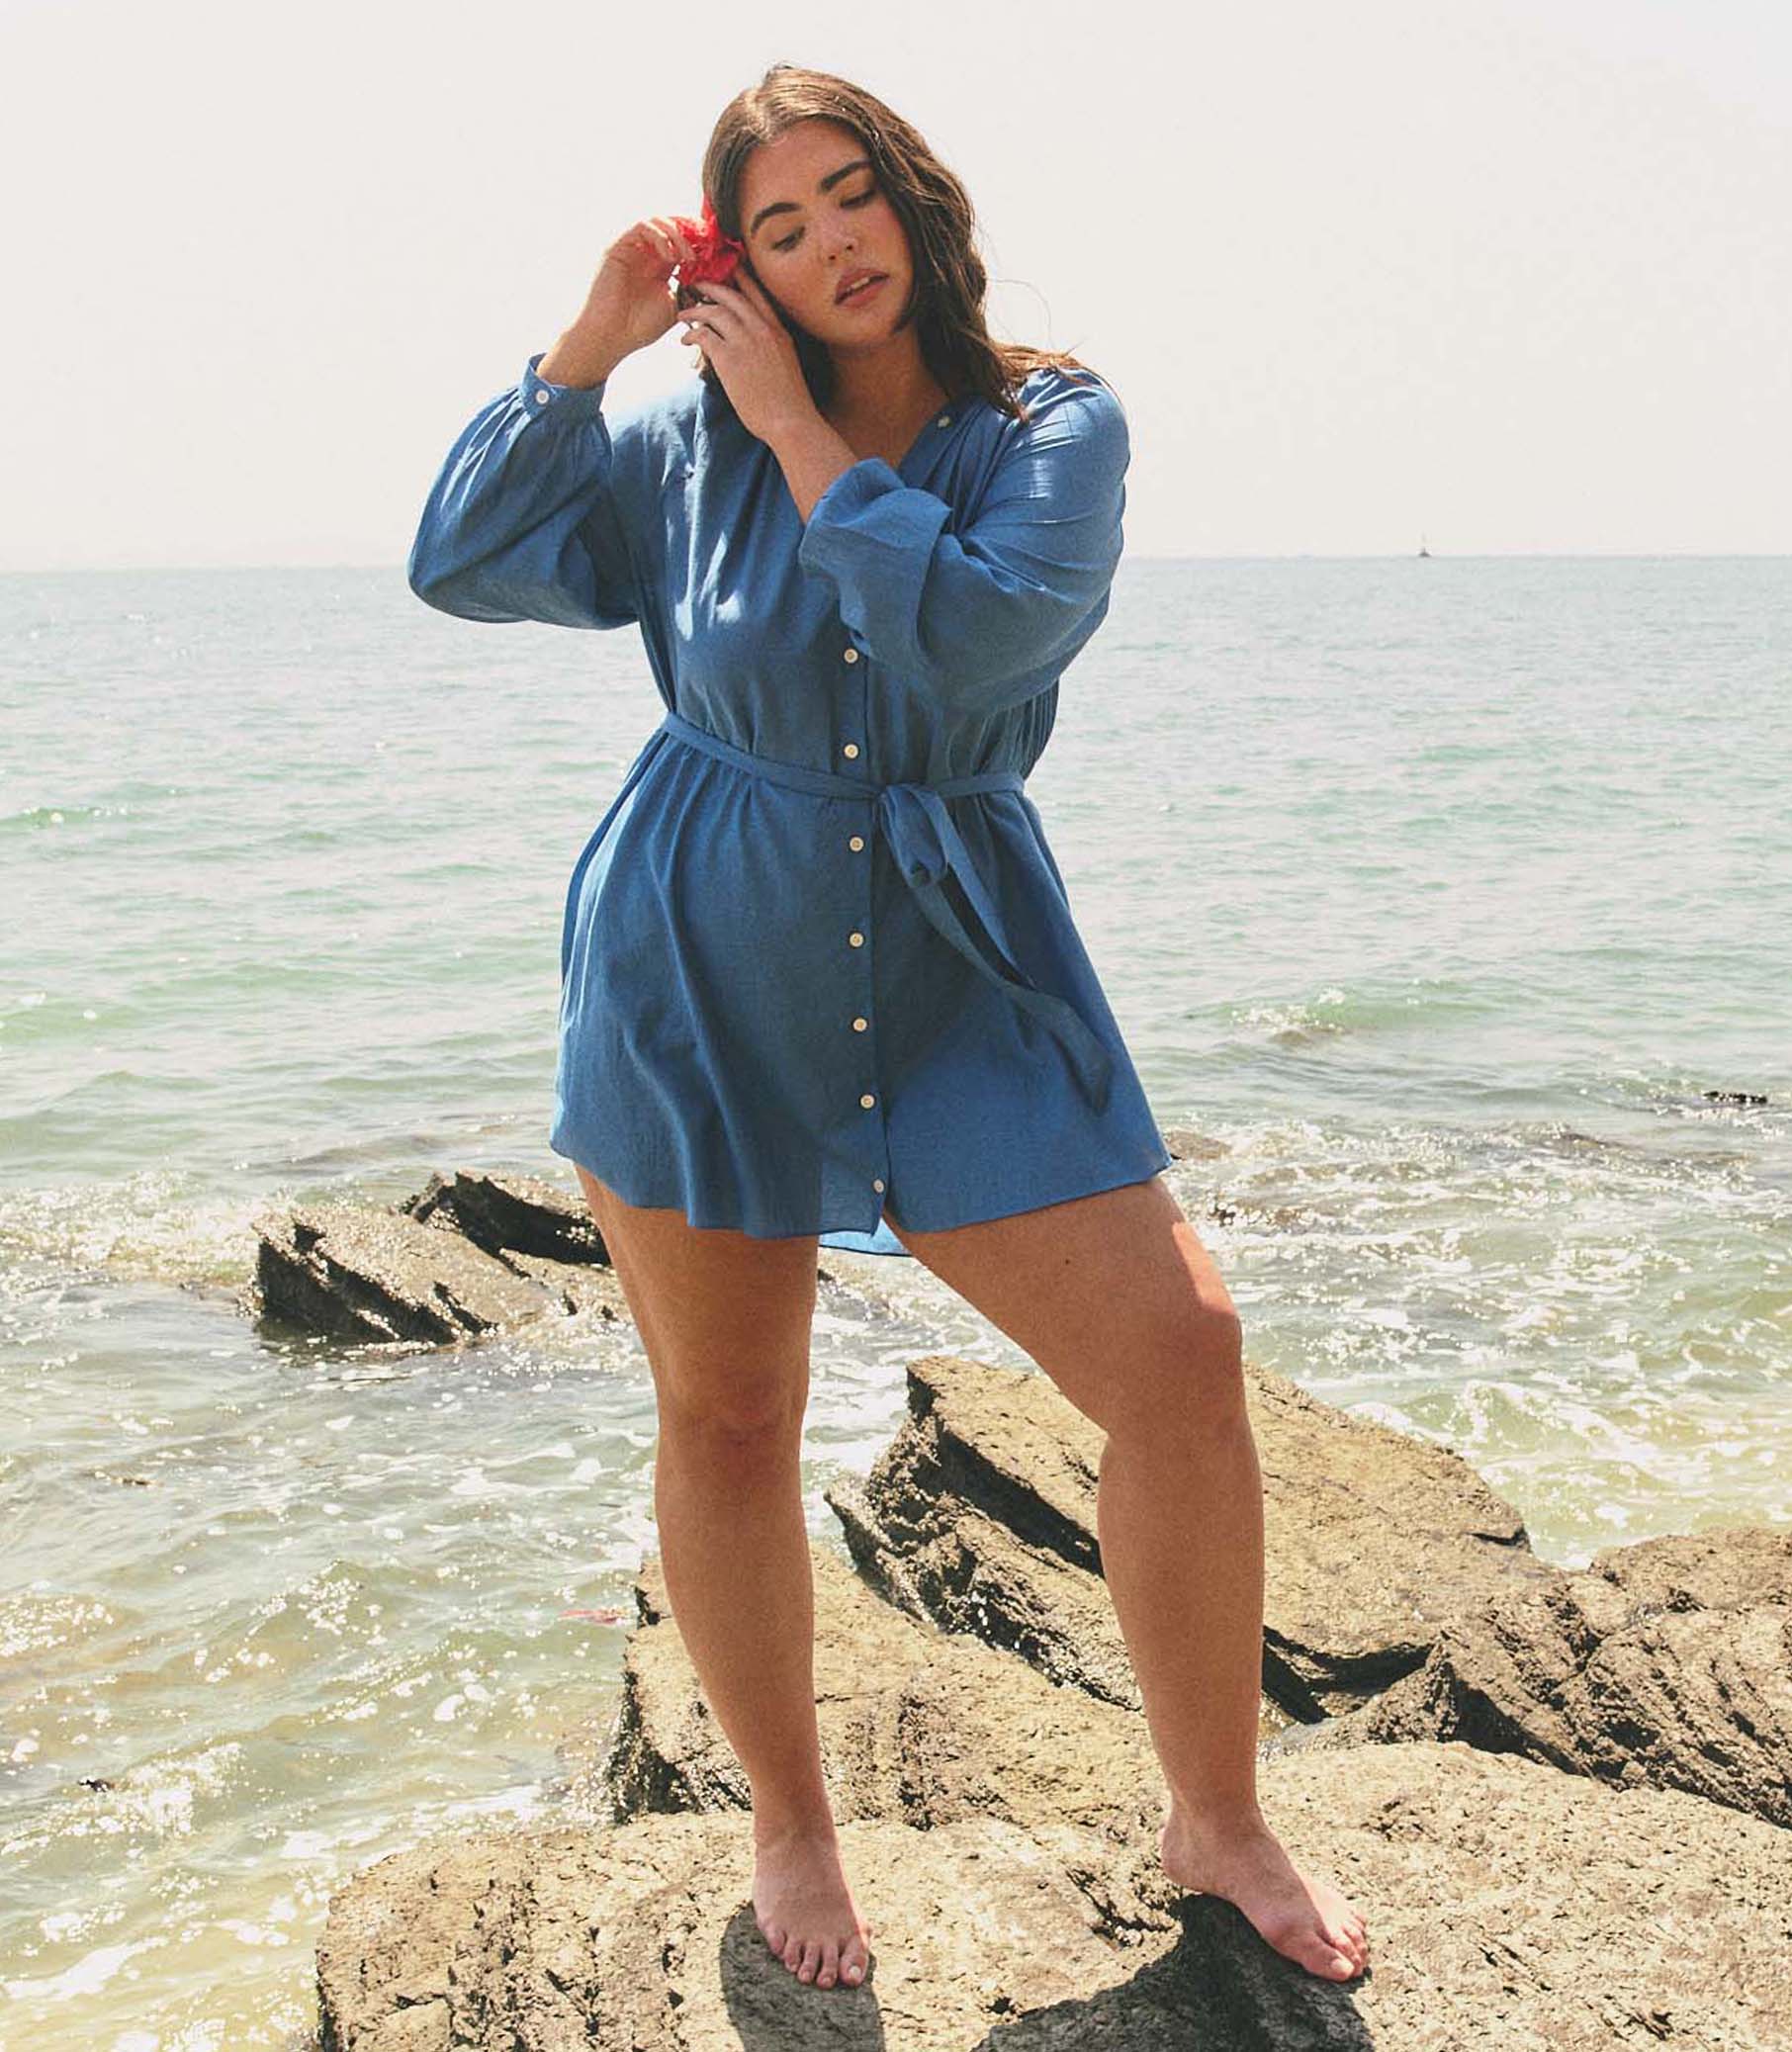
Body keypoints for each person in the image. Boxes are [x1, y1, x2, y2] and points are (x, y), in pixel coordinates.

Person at [408, 62, 1370, 1998]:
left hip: (961, 959)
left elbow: (983, 641)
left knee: (1182, 1353)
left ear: (912, 203)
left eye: (850, 194)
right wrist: (583, 355)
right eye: (776, 224)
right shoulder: (676, 439)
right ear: (732, 269)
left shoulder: (1050, 422)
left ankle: (1220, 1817)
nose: (830, 238)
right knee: (733, 1409)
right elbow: (465, 562)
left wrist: (799, 438)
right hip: (696, 952)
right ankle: (789, 1824)